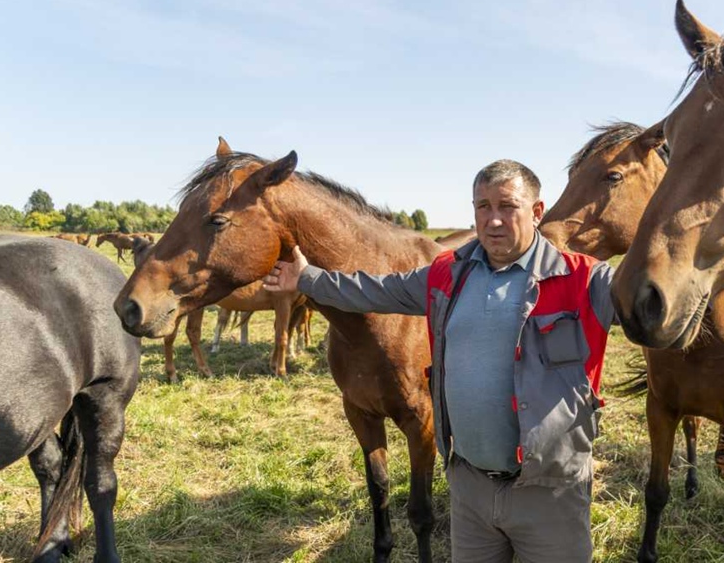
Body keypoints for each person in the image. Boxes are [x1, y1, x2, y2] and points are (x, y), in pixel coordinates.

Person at [264, 159, 616, 562]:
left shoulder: (584, 279)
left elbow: (653, 304)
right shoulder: (448, 275)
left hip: (549, 492)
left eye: (507, 206)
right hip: (470, 491)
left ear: (536, 212)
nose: (494, 220)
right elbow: (375, 291)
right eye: (483, 207)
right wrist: (307, 279)